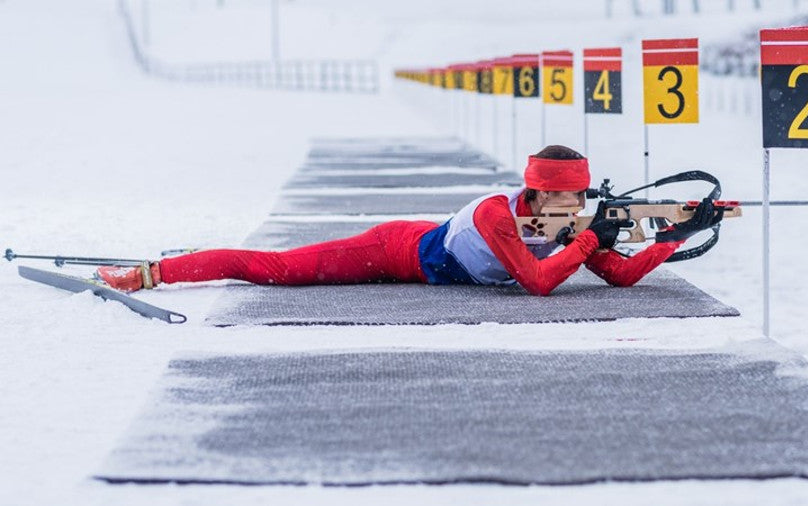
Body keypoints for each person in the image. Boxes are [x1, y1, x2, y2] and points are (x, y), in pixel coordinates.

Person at [97, 145, 722, 296]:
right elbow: (536, 283)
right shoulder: (497, 215)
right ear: (536, 196)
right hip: (394, 250)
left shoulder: (565, 223)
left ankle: (163, 262)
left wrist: (675, 234)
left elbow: (621, 276)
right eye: (570, 201)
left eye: (584, 201)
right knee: (276, 270)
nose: (579, 211)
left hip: (433, 246)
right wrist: (589, 239)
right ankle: (152, 272)